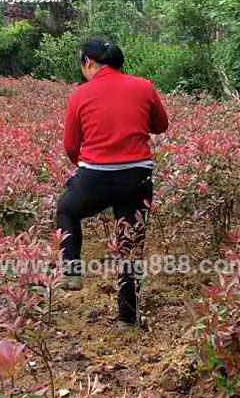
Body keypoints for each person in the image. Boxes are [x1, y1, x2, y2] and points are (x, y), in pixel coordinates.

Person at [56, 37, 169, 327]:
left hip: (95, 176)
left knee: (67, 209)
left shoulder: (80, 94)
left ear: (88, 63)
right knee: (129, 246)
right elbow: (161, 125)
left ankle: (71, 271)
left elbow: (71, 145)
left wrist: (86, 171)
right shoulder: (143, 86)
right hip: (137, 176)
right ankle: (127, 320)